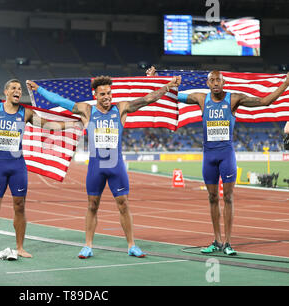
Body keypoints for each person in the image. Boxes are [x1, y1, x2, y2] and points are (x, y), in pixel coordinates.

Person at [27, 75, 181, 258]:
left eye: (109, 93)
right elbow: (60, 100)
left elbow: (147, 99)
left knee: (123, 205)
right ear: (95, 95)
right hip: (96, 167)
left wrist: (168, 87)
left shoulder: (121, 109)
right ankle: (88, 245)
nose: (107, 97)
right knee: (92, 205)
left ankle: (132, 245)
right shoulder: (87, 111)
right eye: (103, 94)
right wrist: (39, 90)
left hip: (116, 166)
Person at [147, 66, 289, 255]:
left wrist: (286, 83)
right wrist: (155, 79)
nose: (215, 83)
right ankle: (217, 240)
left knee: (228, 198)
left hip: (226, 156)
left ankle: (228, 243)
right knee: (212, 198)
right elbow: (173, 96)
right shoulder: (201, 98)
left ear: (224, 82)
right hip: (209, 157)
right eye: (212, 80)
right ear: (208, 83)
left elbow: (265, 101)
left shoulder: (234, 99)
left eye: (218, 80)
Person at [0, 79, 82, 259]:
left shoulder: (25, 113)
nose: (18, 91)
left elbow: (48, 125)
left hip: (17, 166)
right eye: (14, 88)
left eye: (19, 88)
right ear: (6, 92)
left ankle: (20, 248)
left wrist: (73, 124)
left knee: (20, 207)